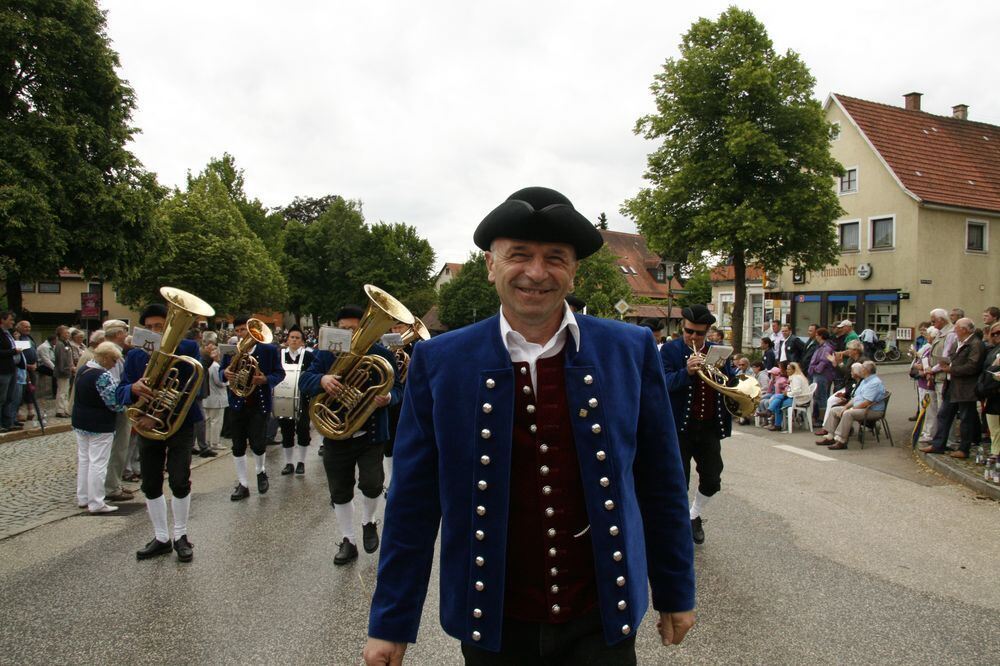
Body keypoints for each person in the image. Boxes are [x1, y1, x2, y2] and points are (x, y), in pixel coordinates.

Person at [363, 187, 695, 665]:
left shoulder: (629, 348)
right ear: (490, 265)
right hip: (492, 626)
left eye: (555, 258)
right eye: (519, 255)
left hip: (602, 618)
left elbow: (661, 482)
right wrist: (390, 624)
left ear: (573, 269)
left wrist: (676, 589)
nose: (537, 273)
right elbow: (412, 502)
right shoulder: (440, 360)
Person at [299, 306, 400, 565]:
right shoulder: (325, 353)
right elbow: (304, 379)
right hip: (337, 434)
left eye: (353, 329)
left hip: (371, 433)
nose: (349, 333)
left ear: (363, 328)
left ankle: (368, 522)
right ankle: (348, 540)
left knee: (373, 484)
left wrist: (388, 397)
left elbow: (400, 389)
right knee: (340, 491)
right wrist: (321, 381)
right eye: (344, 329)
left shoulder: (382, 354)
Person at [115, 303, 203, 562]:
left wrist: (160, 415)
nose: (154, 331)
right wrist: (133, 389)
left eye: (160, 326)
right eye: (150, 327)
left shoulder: (187, 349)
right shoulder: (135, 355)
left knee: (179, 479)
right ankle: (161, 537)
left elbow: (190, 389)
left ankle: (181, 536)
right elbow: (121, 391)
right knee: (150, 482)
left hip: (178, 424)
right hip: (145, 423)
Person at [661, 303, 735, 546]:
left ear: (708, 332)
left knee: (713, 479)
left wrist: (728, 373)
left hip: (709, 427)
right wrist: (687, 372)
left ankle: (694, 515)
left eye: (699, 333)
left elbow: (731, 384)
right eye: (689, 331)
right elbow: (663, 383)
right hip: (680, 428)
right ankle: (678, 524)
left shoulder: (718, 351)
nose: (693, 337)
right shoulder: (669, 351)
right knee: (678, 481)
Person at [222, 315, 284, 501]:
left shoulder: (269, 350)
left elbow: (279, 373)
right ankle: (243, 483)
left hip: (259, 402)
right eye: (239, 330)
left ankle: (260, 471)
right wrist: (225, 373)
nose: (242, 334)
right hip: (237, 403)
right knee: (238, 445)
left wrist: (265, 379)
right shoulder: (232, 351)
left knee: (258, 443)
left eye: (245, 330)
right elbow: (223, 373)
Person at [920, 318, 986, 459]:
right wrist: (946, 362)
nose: (954, 330)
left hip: (966, 387)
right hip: (953, 384)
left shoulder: (975, 344)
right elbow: (956, 358)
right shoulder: (960, 342)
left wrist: (951, 369)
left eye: (956, 327)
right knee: (944, 415)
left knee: (965, 418)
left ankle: (964, 449)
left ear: (964, 329)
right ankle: (938, 445)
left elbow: (972, 366)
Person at [72, 342, 126, 514]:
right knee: (98, 463)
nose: (115, 363)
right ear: (105, 358)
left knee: (85, 460)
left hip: (81, 421)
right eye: (114, 359)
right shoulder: (102, 375)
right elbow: (114, 403)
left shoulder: (83, 370)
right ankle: (96, 502)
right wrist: (126, 406)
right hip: (100, 424)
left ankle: (83, 497)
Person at [100, 319, 137, 504]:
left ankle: (113, 483)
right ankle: (111, 487)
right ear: (117, 334)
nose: (126, 335)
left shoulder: (113, 351)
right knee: (118, 448)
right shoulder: (110, 353)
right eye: (124, 331)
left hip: (115, 407)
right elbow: (113, 383)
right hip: (117, 408)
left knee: (119, 448)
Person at [815, 361, 886, 450]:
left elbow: (867, 402)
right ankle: (830, 436)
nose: (860, 371)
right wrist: (845, 407)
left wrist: (851, 409)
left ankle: (841, 441)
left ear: (867, 370)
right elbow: (855, 398)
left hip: (873, 410)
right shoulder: (865, 381)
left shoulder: (874, 383)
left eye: (862, 369)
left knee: (848, 413)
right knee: (834, 410)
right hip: (862, 408)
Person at [277, 325, 313, 475]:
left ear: (302, 341)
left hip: (303, 398)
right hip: (284, 398)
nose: (294, 340)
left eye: (297, 338)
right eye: (292, 337)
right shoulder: (280, 355)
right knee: (286, 431)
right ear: (287, 339)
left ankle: (301, 462)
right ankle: (288, 463)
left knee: (303, 429)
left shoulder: (309, 356)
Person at [913, 326, 940, 444]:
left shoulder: (934, 348)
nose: (926, 336)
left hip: (928, 382)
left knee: (931, 410)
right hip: (923, 382)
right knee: (925, 409)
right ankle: (925, 431)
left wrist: (923, 368)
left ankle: (930, 433)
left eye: (928, 335)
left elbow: (932, 364)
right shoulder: (929, 347)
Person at [0, 311, 25, 432]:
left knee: (10, 397)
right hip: (2, 370)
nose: (12, 322)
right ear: (3, 320)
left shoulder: (8, 333)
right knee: (2, 397)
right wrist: (14, 351)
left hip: (11, 368)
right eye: (10, 320)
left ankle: (8, 422)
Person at [766, 362, 809, 431]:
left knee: (777, 402)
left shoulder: (796, 378)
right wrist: (787, 393)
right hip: (794, 397)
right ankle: (769, 411)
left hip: (799, 399)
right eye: (787, 369)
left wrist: (787, 393)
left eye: (789, 369)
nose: (787, 371)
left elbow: (797, 392)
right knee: (778, 397)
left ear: (794, 370)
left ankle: (773, 418)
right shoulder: (795, 376)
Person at [202, 342, 228, 451]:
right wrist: (228, 383)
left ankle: (207, 441)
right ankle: (215, 442)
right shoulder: (216, 366)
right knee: (216, 422)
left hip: (207, 398)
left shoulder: (206, 364)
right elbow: (219, 382)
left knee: (208, 421)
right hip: (217, 398)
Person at [807, 327, 836, 421]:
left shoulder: (826, 347)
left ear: (821, 336)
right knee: (818, 396)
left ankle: (823, 418)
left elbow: (824, 361)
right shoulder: (821, 346)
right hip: (817, 374)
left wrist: (815, 369)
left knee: (821, 396)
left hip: (822, 375)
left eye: (817, 335)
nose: (815, 337)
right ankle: (818, 416)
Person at [981, 322, 1000, 456]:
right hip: (991, 392)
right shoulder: (992, 349)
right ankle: (995, 454)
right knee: (994, 429)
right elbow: (987, 370)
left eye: (999, 333)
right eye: (994, 333)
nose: (997, 336)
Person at [54, 325, 75, 417]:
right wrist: (64, 369)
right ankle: (60, 410)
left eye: (68, 332)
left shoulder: (66, 343)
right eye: (66, 333)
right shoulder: (60, 344)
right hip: (63, 371)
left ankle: (65, 409)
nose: (68, 334)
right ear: (60, 334)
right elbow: (61, 359)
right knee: (62, 391)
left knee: (65, 391)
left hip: (67, 371)